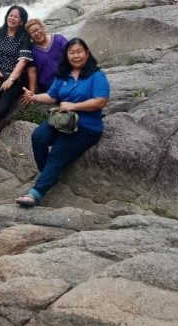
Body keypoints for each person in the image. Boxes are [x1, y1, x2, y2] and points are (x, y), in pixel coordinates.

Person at [15, 38, 110, 207]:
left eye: (79, 52)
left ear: (87, 53)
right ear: (66, 55)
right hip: (62, 121)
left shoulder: (96, 76)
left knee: (58, 152)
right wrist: (35, 96)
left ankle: (35, 194)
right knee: (38, 136)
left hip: (86, 126)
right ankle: (48, 175)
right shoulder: (63, 74)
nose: (76, 56)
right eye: (71, 52)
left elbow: (100, 101)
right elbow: (53, 96)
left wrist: (74, 105)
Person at [0, 5, 32, 134]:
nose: (12, 18)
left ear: (22, 21)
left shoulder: (24, 36)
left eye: (16, 17)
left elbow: (23, 60)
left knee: (8, 89)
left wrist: (11, 79)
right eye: (10, 15)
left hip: (16, 75)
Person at [20, 19, 67, 103]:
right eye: (32, 32)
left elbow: (71, 55)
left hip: (66, 76)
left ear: (43, 28)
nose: (36, 33)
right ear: (29, 36)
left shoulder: (59, 39)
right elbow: (32, 71)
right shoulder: (31, 50)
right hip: (48, 83)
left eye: (37, 29)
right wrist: (32, 92)